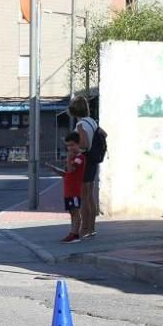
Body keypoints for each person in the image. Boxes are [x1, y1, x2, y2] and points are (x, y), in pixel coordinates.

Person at [69, 97, 106, 239]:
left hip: (84, 161)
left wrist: (73, 148)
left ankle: (84, 229)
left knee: (83, 197)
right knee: (90, 196)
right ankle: (91, 228)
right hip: (93, 161)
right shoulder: (92, 122)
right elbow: (104, 134)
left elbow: (83, 145)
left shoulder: (81, 125)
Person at [46, 132, 85, 243]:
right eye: (68, 145)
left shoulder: (79, 158)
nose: (70, 148)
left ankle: (75, 234)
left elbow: (72, 170)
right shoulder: (73, 158)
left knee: (75, 211)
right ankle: (73, 232)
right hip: (68, 190)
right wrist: (54, 169)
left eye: (72, 145)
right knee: (72, 212)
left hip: (75, 189)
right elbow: (67, 173)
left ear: (78, 144)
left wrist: (68, 159)